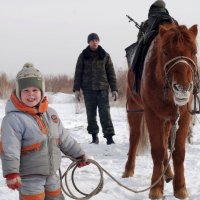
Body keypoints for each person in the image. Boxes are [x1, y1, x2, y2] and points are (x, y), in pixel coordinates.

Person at [0, 63, 89, 200]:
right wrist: (11, 172)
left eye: (35, 90)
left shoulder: (51, 115)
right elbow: (9, 148)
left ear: (41, 91)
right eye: (26, 91)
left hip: (52, 175)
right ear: (18, 93)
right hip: (29, 179)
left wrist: (79, 155)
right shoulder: (13, 119)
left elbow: (65, 139)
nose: (31, 95)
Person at [73, 33, 118, 145]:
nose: (95, 42)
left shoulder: (105, 55)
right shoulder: (83, 55)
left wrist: (114, 89)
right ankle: (94, 137)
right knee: (91, 115)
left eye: (96, 40)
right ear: (89, 42)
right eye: (92, 40)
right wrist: (77, 89)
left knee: (105, 114)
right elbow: (78, 73)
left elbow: (111, 74)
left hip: (102, 89)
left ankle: (109, 138)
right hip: (88, 90)